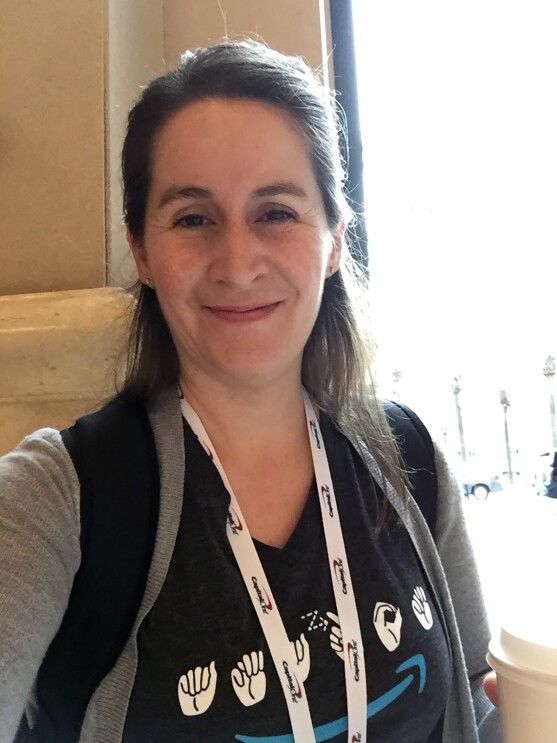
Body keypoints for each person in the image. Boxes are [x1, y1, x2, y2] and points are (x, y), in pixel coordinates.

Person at [0, 40, 500, 742]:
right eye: (193, 218)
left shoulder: (407, 456)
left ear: (331, 240)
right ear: (141, 250)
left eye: (275, 212)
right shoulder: (57, 496)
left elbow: (478, 709)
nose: (237, 264)